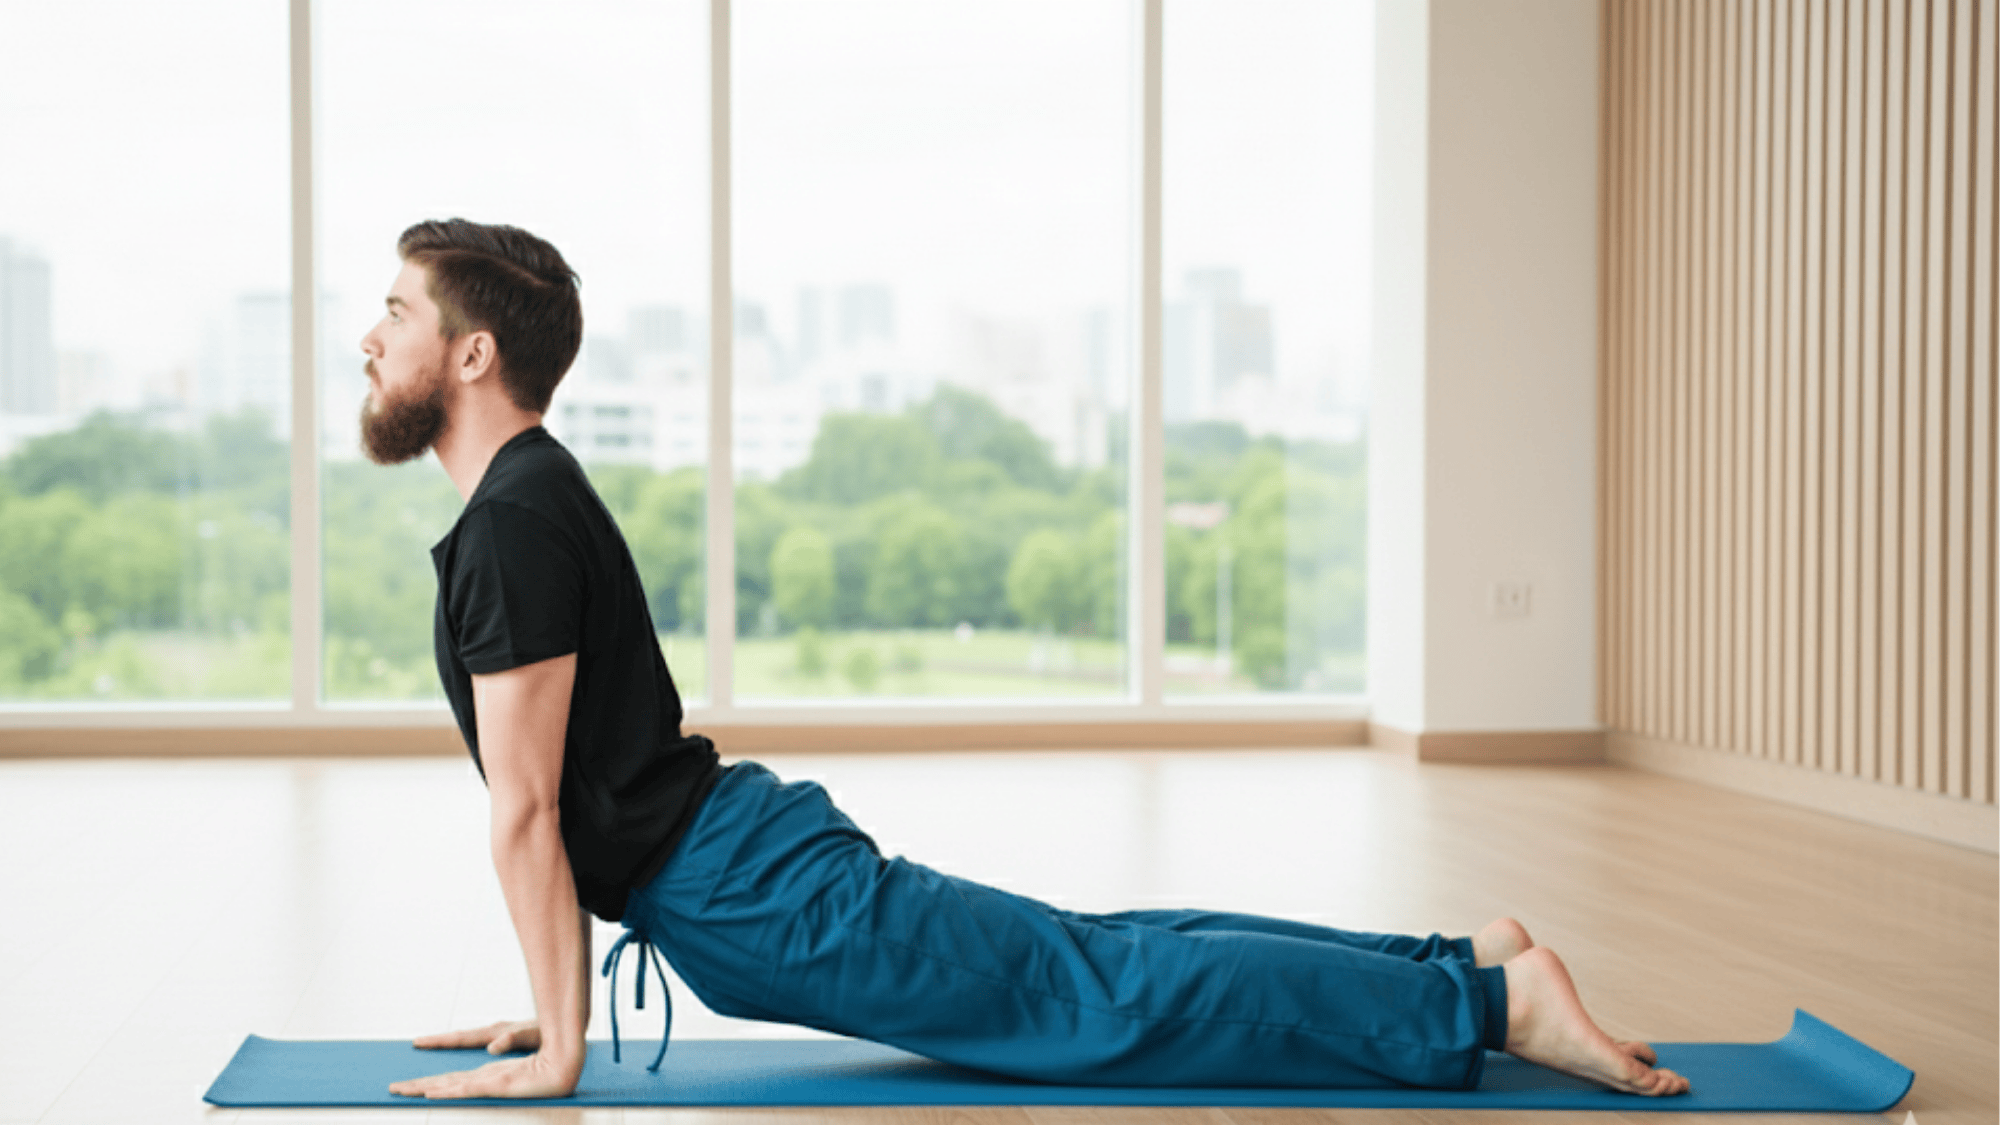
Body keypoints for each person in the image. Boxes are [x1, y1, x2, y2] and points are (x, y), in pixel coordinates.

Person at [365, 218, 1690, 1102]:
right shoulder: (524, 501)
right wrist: (550, 1010)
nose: (373, 336)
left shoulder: (516, 522)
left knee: (1094, 991)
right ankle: (1450, 962)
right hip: (734, 877)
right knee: (1087, 958)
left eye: (397, 312)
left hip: (753, 897)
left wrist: (559, 1047)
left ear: (472, 354)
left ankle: (1490, 1006)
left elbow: (531, 811)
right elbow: (554, 804)